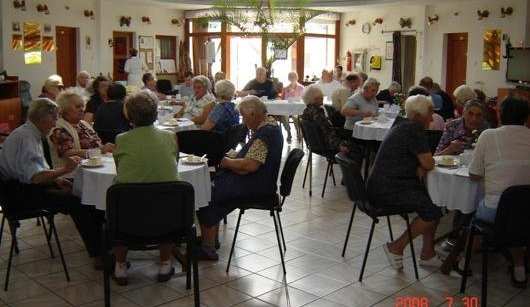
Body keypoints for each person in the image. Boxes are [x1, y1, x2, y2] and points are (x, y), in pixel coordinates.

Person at [0, 98, 103, 267]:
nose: (56, 122)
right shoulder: (27, 138)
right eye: (54, 118)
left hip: (22, 187)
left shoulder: (29, 132)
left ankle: (101, 248)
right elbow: (35, 177)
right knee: (79, 202)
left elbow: (35, 172)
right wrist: (65, 170)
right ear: (43, 118)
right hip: (18, 196)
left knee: (85, 197)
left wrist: (57, 179)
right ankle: (98, 256)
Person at [197, 96, 283, 260]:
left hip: (256, 185)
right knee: (211, 187)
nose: (243, 121)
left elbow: (249, 166)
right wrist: (235, 156)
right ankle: (209, 240)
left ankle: (207, 247)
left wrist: (226, 161)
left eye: (244, 116)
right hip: (260, 181)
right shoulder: (270, 126)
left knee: (206, 193)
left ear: (253, 114)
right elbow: (253, 157)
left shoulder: (266, 132)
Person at [112, 90, 180, 284]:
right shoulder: (170, 137)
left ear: (128, 115)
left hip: (129, 216)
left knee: (118, 203)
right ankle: (165, 261)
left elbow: (120, 171)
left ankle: (120, 265)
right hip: (170, 217)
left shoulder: (122, 139)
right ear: (156, 113)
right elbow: (173, 163)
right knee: (165, 197)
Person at [368, 95, 442, 269]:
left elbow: (422, 162)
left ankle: (427, 253)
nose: (432, 118)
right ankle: (397, 247)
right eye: (429, 114)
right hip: (389, 189)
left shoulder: (401, 124)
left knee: (433, 204)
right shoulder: (414, 129)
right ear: (418, 115)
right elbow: (428, 163)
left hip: (380, 185)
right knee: (433, 212)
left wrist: (422, 165)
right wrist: (423, 165)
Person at [469, 97, 530, 287]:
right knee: (517, 220)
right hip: (527, 210)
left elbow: (474, 174)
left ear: (500, 115)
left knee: (475, 217)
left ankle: (464, 262)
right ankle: (519, 268)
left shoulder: (488, 136)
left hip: (495, 211)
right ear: (526, 118)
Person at [48, 89, 114, 168]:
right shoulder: (58, 128)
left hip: (93, 167)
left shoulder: (83, 124)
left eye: (83, 106)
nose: (82, 109)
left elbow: (97, 144)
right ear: (64, 109)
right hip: (70, 174)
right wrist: (98, 151)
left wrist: (105, 148)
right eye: (78, 107)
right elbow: (67, 153)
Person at [281, 71, 305, 142]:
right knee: (283, 116)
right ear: (289, 78)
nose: (292, 78)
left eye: (294, 77)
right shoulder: (285, 88)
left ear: (297, 78)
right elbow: (282, 99)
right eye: (291, 77)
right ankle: (288, 132)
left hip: (297, 108)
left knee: (295, 116)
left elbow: (303, 99)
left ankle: (298, 133)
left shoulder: (301, 88)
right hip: (287, 108)